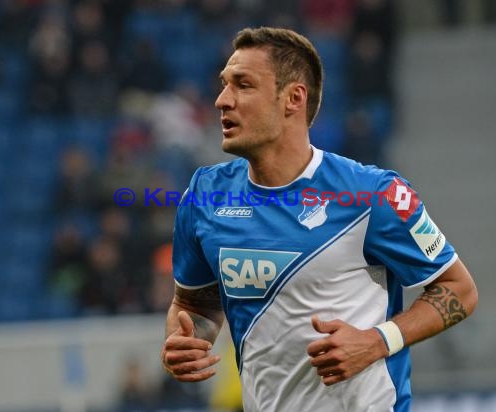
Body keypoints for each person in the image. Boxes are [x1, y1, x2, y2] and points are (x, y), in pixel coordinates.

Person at [161, 27, 478, 411]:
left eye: (243, 86)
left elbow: (459, 289)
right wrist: (188, 340)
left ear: (293, 98)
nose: (222, 100)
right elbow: (195, 302)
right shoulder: (205, 195)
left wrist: (379, 340)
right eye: (224, 85)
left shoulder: (372, 194)